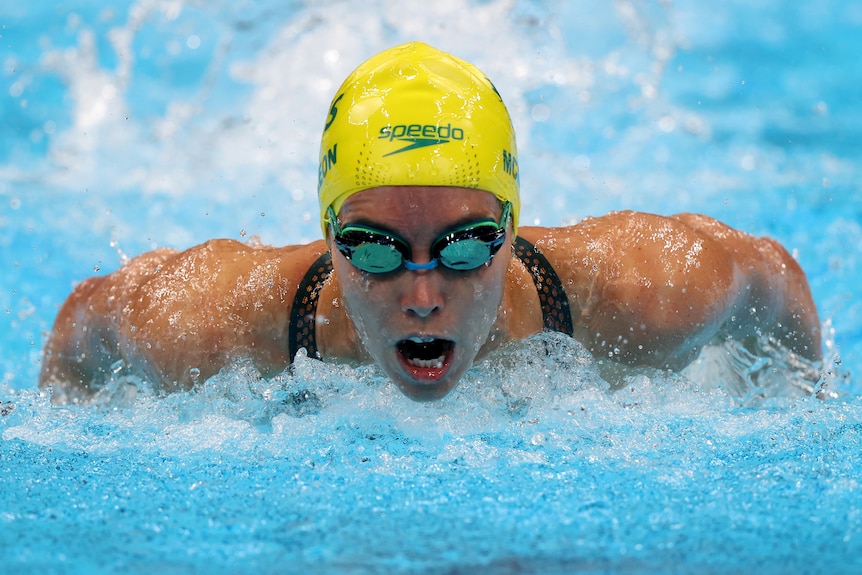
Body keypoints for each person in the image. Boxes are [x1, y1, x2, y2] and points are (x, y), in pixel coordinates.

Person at [39, 42, 822, 404]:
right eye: (376, 248)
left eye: (466, 245)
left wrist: (804, 400)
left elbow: (770, 275)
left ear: (511, 229)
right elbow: (85, 320)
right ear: (328, 235)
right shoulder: (207, 328)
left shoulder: (649, 291)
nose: (422, 293)